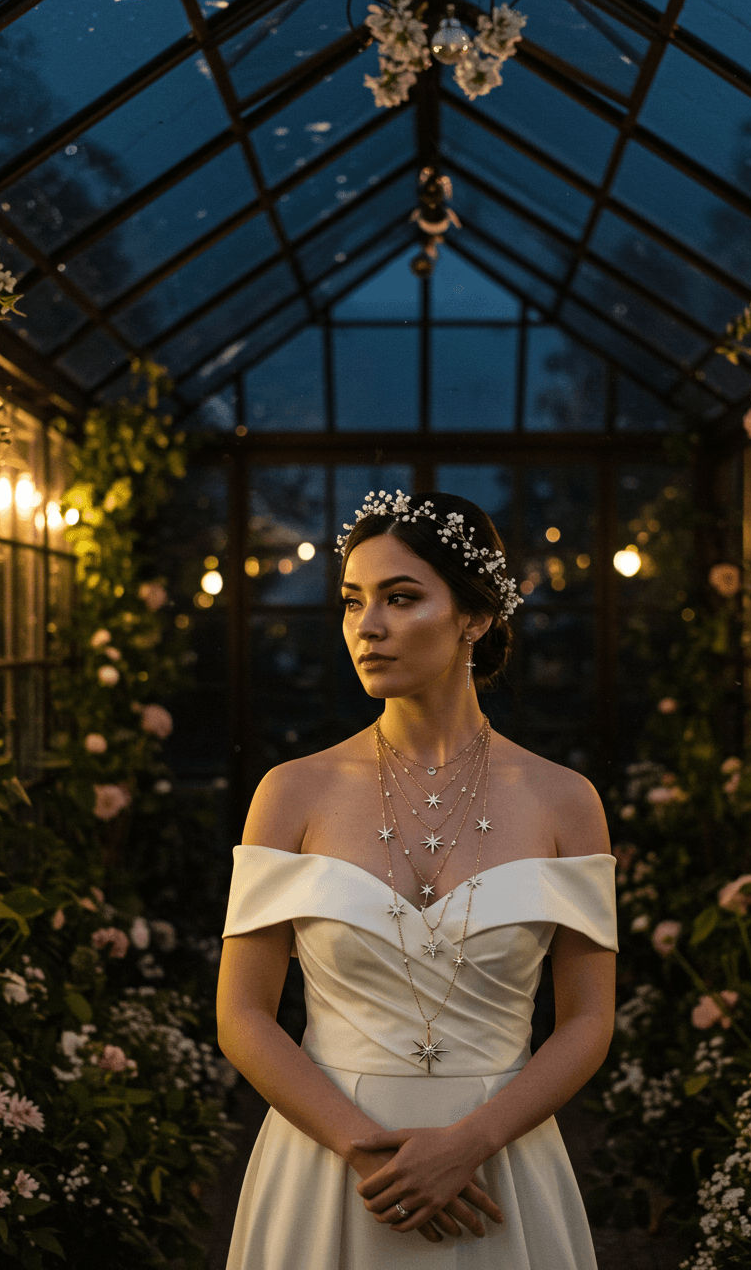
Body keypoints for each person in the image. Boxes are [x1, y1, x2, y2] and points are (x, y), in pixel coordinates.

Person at [217, 489, 617, 1268]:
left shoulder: (566, 801)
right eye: (353, 602)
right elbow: (242, 1014)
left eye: (401, 598)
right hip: (329, 1169)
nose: (367, 627)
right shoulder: (291, 793)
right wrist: (366, 1151)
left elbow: (587, 1022)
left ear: (475, 617)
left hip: (497, 1171)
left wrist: (470, 1143)